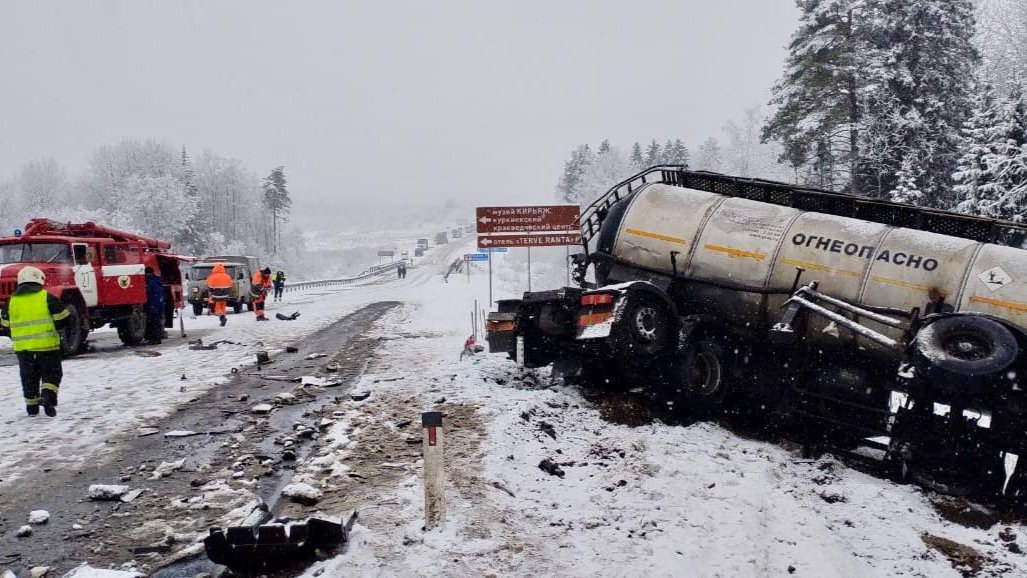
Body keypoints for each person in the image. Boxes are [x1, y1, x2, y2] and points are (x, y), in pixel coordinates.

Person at [0, 266, 70, 417]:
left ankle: (32, 407)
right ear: (39, 280)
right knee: (51, 374)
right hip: (48, 347)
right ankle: (48, 397)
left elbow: (4, 326)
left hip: (23, 350)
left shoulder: (10, 302)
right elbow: (64, 318)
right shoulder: (47, 298)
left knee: (28, 377)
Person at [206, 262, 233, 327]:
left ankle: (222, 317)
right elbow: (230, 285)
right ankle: (223, 316)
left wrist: (211, 290)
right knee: (223, 306)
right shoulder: (227, 276)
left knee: (217, 307)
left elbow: (209, 285)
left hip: (216, 295)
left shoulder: (212, 277)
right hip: (225, 295)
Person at [144, 267, 165, 345]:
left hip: (153, 305)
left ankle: (155, 338)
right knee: (156, 322)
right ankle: (156, 337)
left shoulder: (151, 282)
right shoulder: (156, 280)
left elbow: (151, 293)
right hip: (157, 305)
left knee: (154, 323)